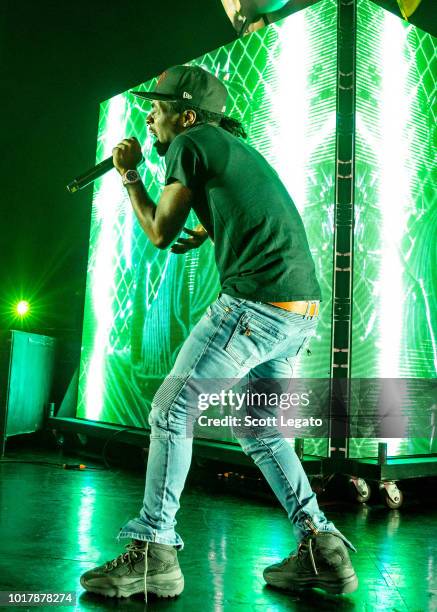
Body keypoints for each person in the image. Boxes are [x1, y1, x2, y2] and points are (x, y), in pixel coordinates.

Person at [79, 64, 358, 600]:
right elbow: (250, 203)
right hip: (299, 310)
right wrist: (208, 228)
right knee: (259, 429)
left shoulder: (190, 142)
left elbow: (159, 231)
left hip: (255, 303)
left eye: (157, 108)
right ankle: (322, 548)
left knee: (171, 409)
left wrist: (131, 175)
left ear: (186, 114)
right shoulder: (233, 146)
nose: (150, 116)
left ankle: (154, 552)